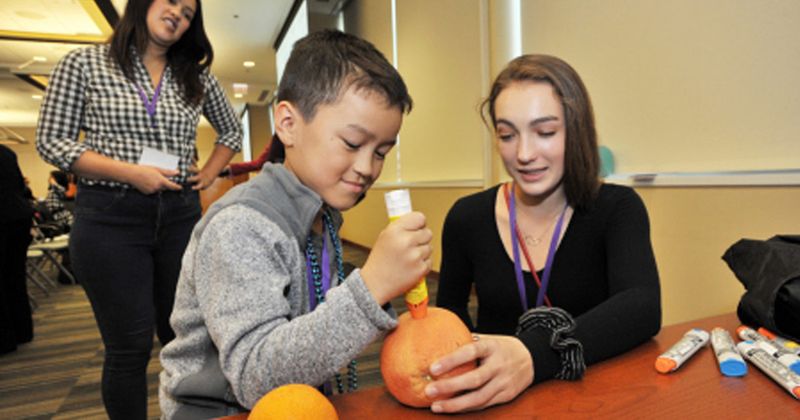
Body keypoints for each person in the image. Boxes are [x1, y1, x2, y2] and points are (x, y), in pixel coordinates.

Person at [159, 29, 425, 418]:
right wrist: (372, 287)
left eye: (381, 152)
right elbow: (254, 378)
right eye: (352, 143)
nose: (368, 168)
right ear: (287, 123)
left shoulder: (323, 216)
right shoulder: (242, 226)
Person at [35, 0, 242, 417]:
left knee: (183, 338)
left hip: (179, 214)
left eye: (188, 13)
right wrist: (131, 173)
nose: (178, 16)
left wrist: (208, 175)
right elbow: (52, 141)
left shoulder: (194, 75)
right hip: (110, 217)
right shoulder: (84, 63)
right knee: (128, 347)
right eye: (171, 3)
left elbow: (231, 130)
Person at [430, 54, 661, 413]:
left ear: (576, 130)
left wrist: (533, 356)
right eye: (507, 135)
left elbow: (642, 307)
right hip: (500, 403)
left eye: (545, 132)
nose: (523, 153)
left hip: (595, 399)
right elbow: (451, 314)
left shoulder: (617, 208)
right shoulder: (467, 217)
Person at [0, 145, 35, 355]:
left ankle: (5, 339)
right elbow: (20, 186)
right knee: (15, 276)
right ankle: (23, 330)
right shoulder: (6, 152)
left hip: (3, 217)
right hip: (19, 217)